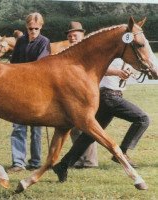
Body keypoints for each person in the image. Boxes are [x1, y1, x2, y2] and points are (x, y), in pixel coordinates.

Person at [53, 58, 150, 182]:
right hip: (109, 97)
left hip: (108, 98)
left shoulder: (126, 55)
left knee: (89, 136)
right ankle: (123, 151)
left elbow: (136, 66)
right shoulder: (112, 52)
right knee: (143, 119)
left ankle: (63, 165)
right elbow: (98, 66)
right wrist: (118, 72)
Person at [7, 12, 51, 173]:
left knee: (36, 128)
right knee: (18, 126)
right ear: (26, 26)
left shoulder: (44, 42)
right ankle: (18, 162)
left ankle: (35, 161)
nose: (32, 31)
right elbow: (13, 63)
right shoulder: (21, 41)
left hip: (36, 89)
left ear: (41, 27)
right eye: (30, 28)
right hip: (19, 88)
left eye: (36, 28)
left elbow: (41, 65)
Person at [66, 21, 98, 169]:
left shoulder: (88, 50)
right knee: (73, 127)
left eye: (75, 35)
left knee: (87, 125)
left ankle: (90, 161)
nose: (72, 38)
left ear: (82, 35)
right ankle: (79, 159)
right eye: (70, 36)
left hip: (86, 92)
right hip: (71, 92)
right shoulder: (68, 50)